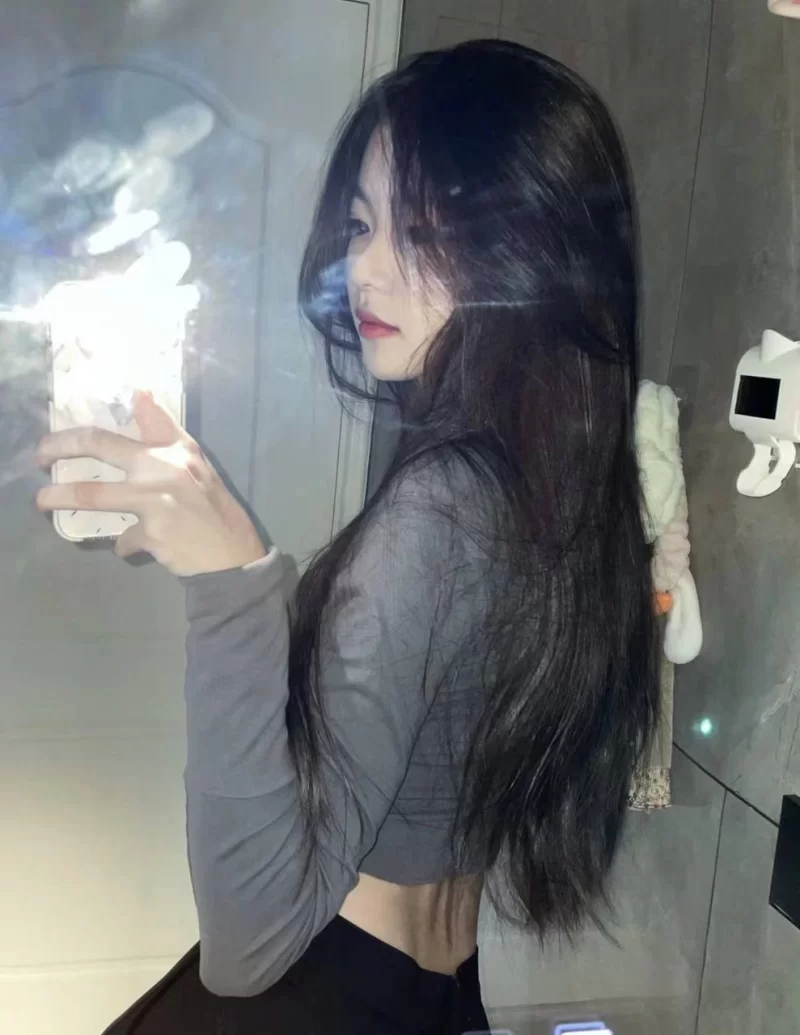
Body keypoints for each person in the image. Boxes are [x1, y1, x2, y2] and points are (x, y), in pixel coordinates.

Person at [35, 39, 659, 1035]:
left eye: (420, 230)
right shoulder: (575, 495)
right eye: (362, 226)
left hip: (321, 988)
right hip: (440, 992)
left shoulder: (442, 507)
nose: (361, 269)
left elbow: (249, 946)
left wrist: (231, 585)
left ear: (529, 248)